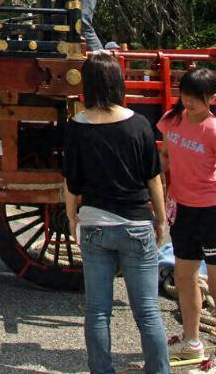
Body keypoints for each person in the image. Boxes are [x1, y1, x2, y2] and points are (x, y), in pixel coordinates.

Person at [63, 52, 169, 374]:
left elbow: (71, 182)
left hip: (95, 224)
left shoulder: (76, 127)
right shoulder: (139, 125)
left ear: (89, 85)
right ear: (118, 82)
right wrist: (161, 220)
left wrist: (71, 217)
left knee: (97, 311)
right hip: (136, 223)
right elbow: (153, 178)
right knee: (148, 311)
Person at [159, 68, 216, 371]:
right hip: (183, 210)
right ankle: (192, 341)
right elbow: (164, 156)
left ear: (212, 99)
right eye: (184, 97)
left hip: (213, 213)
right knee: (185, 278)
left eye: (195, 100)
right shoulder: (172, 119)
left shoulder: (215, 130)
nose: (188, 103)